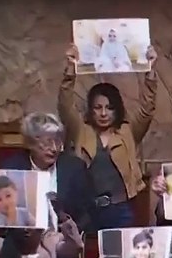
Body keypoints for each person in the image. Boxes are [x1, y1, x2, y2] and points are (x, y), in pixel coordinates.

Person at [59, 43, 159, 229]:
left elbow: (147, 110)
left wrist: (150, 70)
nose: (103, 113)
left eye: (109, 108)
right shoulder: (81, 129)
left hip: (120, 209)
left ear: (117, 110)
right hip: (85, 210)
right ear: (91, 109)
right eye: (98, 108)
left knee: (118, 254)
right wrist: (70, 69)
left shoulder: (128, 131)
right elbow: (65, 106)